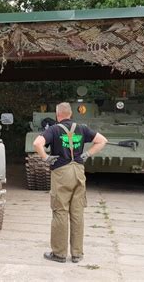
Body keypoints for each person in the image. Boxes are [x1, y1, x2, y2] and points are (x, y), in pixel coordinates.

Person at [33, 102, 107, 263]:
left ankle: (59, 253)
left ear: (57, 115)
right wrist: (87, 154)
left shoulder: (53, 129)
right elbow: (102, 141)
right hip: (79, 171)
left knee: (60, 211)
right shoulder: (82, 128)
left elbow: (37, 143)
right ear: (71, 114)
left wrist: (46, 158)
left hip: (61, 173)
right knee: (77, 212)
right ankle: (77, 254)